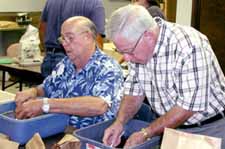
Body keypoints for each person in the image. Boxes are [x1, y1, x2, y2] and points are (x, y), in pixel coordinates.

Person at [102, 5, 225, 148]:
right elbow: (133, 91)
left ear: (148, 35)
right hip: (172, 127)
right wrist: (119, 123)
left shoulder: (189, 46)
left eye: (128, 51)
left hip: (208, 128)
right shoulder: (136, 50)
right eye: (121, 51)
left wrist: (146, 133)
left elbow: (187, 108)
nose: (126, 58)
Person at [15, 16, 124, 129]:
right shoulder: (66, 63)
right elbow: (48, 86)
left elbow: (99, 105)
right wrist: (33, 91)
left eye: (70, 38)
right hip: (56, 128)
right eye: (62, 38)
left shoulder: (108, 68)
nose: (64, 44)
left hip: (89, 136)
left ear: (87, 36)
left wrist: (45, 104)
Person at [39, 0, 105, 78]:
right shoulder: (95, 3)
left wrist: (46, 50)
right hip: (73, 63)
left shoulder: (51, 2)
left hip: (49, 58)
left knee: (47, 89)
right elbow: (97, 39)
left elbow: (42, 28)